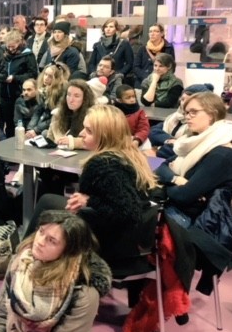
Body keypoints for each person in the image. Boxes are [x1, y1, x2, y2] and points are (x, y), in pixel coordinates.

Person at [28, 105, 158, 262]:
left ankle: (27, 253)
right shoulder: (132, 155)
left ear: (105, 136)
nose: (82, 134)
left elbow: (128, 212)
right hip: (133, 240)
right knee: (49, 199)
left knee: (47, 202)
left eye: (89, 131)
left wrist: (89, 200)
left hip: (110, 241)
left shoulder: (103, 165)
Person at [0, 210, 112, 332]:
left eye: (51, 240)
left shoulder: (84, 294)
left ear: (68, 251)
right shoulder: (20, 263)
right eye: (41, 231)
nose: (39, 241)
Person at [154, 92, 232, 227]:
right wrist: (176, 180)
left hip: (196, 220)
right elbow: (161, 166)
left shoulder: (221, 153)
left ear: (212, 114)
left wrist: (166, 184)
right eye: (186, 113)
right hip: (178, 208)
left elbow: (184, 196)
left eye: (193, 112)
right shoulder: (194, 142)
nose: (187, 117)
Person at [0, 30, 38, 137]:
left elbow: (33, 74)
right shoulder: (2, 52)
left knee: (18, 124)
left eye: (13, 46)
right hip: (4, 94)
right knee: (8, 124)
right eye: (8, 46)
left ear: (19, 42)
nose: (10, 49)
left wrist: (15, 78)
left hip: (19, 93)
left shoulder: (27, 54)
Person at [46, 79, 95, 150]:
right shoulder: (57, 115)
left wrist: (72, 141)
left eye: (76, 96)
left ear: (85, 99)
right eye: (68, 95)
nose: (71, 100)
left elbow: (96, 140)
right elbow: (50, 138)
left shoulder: (92, 117)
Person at [25, 63, 70, 140]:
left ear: (57, 78)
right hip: (45, 121)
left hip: (59, 123)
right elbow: (38, 111)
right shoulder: (44, 89)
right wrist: (30, 128)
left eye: (50, 76)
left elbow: (56, 116)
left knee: (44, 133)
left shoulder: (62, 90)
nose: (46, 78)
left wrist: (36, 130)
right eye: (45, 74)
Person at [133, 23, 175, 88]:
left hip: (163, 83)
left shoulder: (168, 48)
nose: (152, 34)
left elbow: (171, 67)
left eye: (156, 31)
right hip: (143, 82)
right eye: (150, 31)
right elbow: (136, 67)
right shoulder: (143, 48)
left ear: (162, 33)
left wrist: (159, 78)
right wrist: (147, 78)